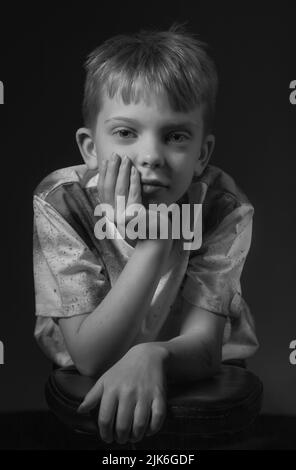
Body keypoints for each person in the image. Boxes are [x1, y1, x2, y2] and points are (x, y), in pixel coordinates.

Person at [33, 23, 259, 445]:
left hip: (186, 367)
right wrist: (155, 243)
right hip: (92, 364)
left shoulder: (222, 206)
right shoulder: (62, 202)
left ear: (201, 155)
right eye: (125, 133)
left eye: (175, 136)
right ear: (89, 148)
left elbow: (205, 346)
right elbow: (91, 357)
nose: (151, 156)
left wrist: (151, 352)